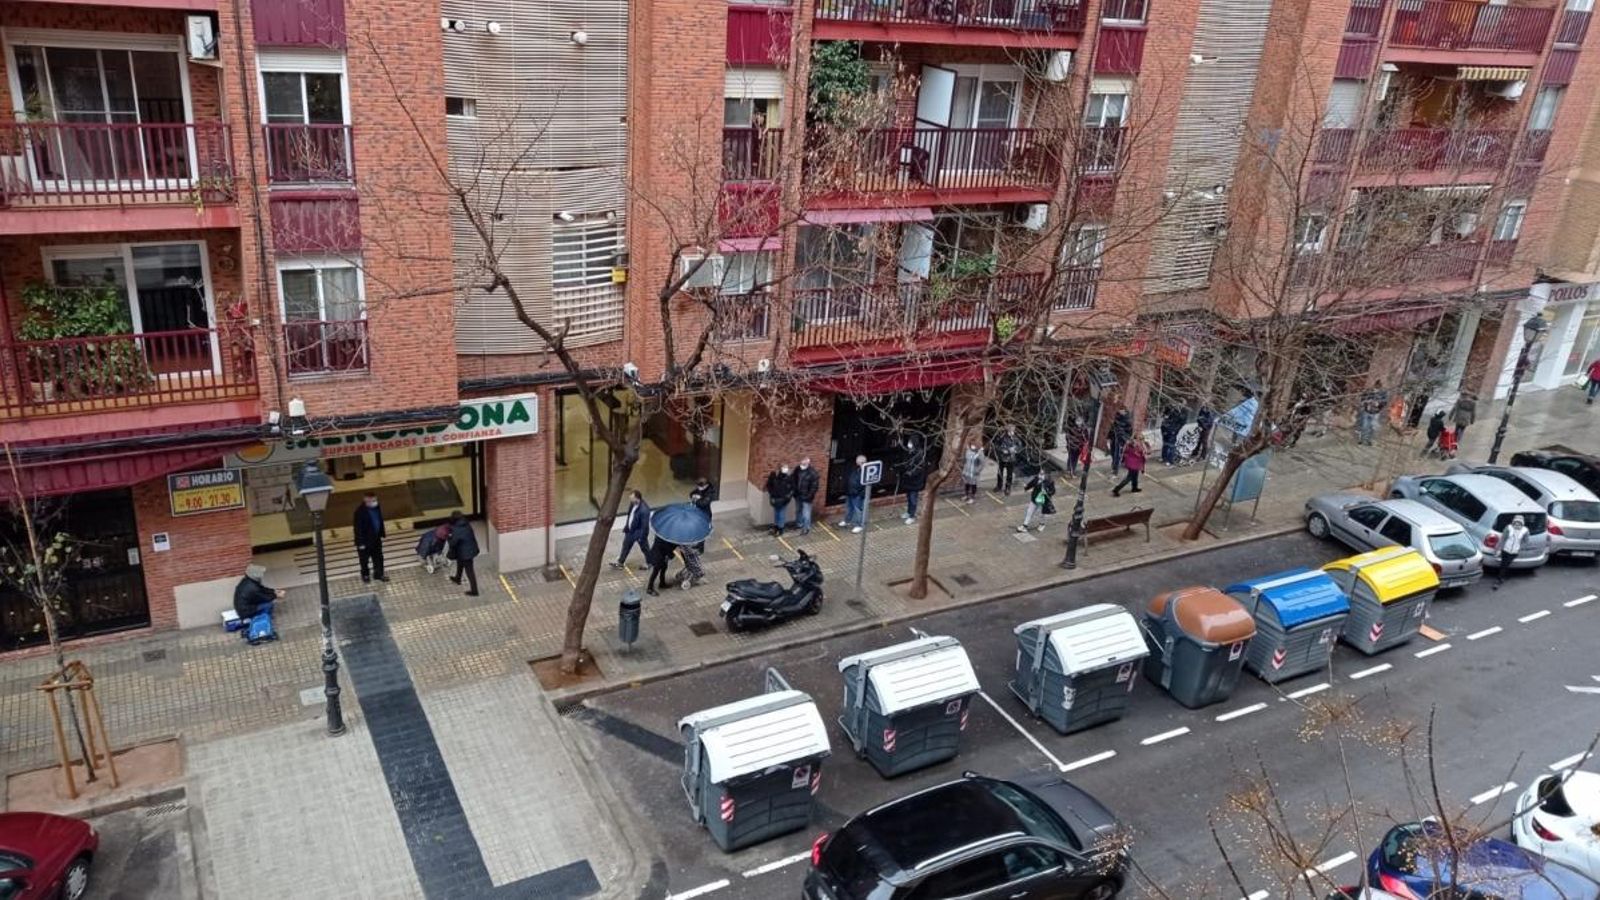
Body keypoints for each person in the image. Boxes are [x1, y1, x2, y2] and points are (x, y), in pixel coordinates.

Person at [352, 491, 387, 583]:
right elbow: (357, 528)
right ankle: (365, 575)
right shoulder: (359, 512)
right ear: (366, 500)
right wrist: (360, 543)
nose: (374, 502)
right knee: (364, 560)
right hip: (365, 541)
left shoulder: (377, 507)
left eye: (375, 500)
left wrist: (381, 533)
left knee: (378, 557)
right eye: (372, 500)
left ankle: (379, 574)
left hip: (376, 538)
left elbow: (379, 520)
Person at [611, 490, 652, 569]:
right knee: (626, 546)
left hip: (639, 533)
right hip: (630, 531)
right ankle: (620, 562)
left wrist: (642, 537)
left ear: (637, 498)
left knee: (645, 548)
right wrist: (627, 526)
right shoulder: (633, 504)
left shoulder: (644, 510)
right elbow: (630, 515)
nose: (630, 500)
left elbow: (645, 526)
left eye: (632, 498)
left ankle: (650, 563)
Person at [446, 511, 480, 597]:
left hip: (465, 553)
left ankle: (474, 590)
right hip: (469, 549)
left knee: (469, 571)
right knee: (460, 563)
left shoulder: (457, 529)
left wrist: (449, 537)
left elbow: (453, 543)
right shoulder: (466, 524)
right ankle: (458, 578)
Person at [1492, 515, 1529, 590]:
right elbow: (1503, 539)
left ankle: (1499, 579)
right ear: (1513, 523)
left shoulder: (1525, 531)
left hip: (1514, 552)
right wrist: (1498, 550)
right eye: (1515, 523)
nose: (1517, 525)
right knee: (1504, 564)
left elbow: (1526, 541)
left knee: (1505, 564)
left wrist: (1520, 548)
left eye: (1519, 524)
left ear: (1522, 524)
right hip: (1505, 550)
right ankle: (1500, 579)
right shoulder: (1508, 528)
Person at [898, 444, 927, 525]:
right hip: (909, 482)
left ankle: (912, 516)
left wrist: (911, 473)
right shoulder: (909, 454)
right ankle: (908, 512)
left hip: (915, 483)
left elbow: (918, 470)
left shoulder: (919, 457)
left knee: (913, 499)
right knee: (909, 498)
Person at [839, 454, 868, 534]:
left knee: (857, 510)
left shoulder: (866, 471)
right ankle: (847, 520)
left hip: (857, 495)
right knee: (849, 508)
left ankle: (858, 525)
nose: (857, 463)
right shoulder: (856, 469)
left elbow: (866, 486)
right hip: (850, 492)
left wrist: (861, 494)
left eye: (858, 462)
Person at [765, 465, 795, 536]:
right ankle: (776, 527)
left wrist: (788, 497)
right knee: (777, 513)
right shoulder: (775, 477)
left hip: (783, 499)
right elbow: (769, 486)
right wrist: (772, 494)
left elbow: (792, 489)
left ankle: (780, 528)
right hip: (776, 498)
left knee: (781, 513)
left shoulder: (788, 478)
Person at [992, 425, 1021, 495]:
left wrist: (1016, 450)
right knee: (1000, 473)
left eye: (1013, 431)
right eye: (1011, 431)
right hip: (1002, 458)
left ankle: (1008, 488)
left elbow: (1020, 445)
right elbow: (996, 446)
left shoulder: (1015, 438)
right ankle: (999, 486)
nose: (1012, 432)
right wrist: (1003, 450)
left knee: (1009, 474)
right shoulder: (1002, 438)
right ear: (1008, 431)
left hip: (1011, 459)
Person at [794, 458, 819, 536]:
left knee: (806, 513)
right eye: (802, 462)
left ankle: (806, 528)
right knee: (798, 510)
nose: (802, 464)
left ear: (808, 463)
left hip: (807, 497)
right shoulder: (797, 469)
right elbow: (793, 479)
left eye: (804, 463)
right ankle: (799, 524)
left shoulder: (813, 473)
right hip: (798, 495)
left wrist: (808, 496)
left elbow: (814, 487)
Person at [1109, 408, 1133, 475]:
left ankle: (1115, 470)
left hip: (1120, 440)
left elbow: (1129, 432)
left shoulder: (1127, 421)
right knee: (1112, 452)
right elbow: (1112, 427)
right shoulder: (1117, 418)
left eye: (1122, 410)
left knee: (1117, 455)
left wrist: (1125, 439)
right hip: (1114, 438)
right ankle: (1114, 465)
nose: (1120, 411)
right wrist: (1109, 436)